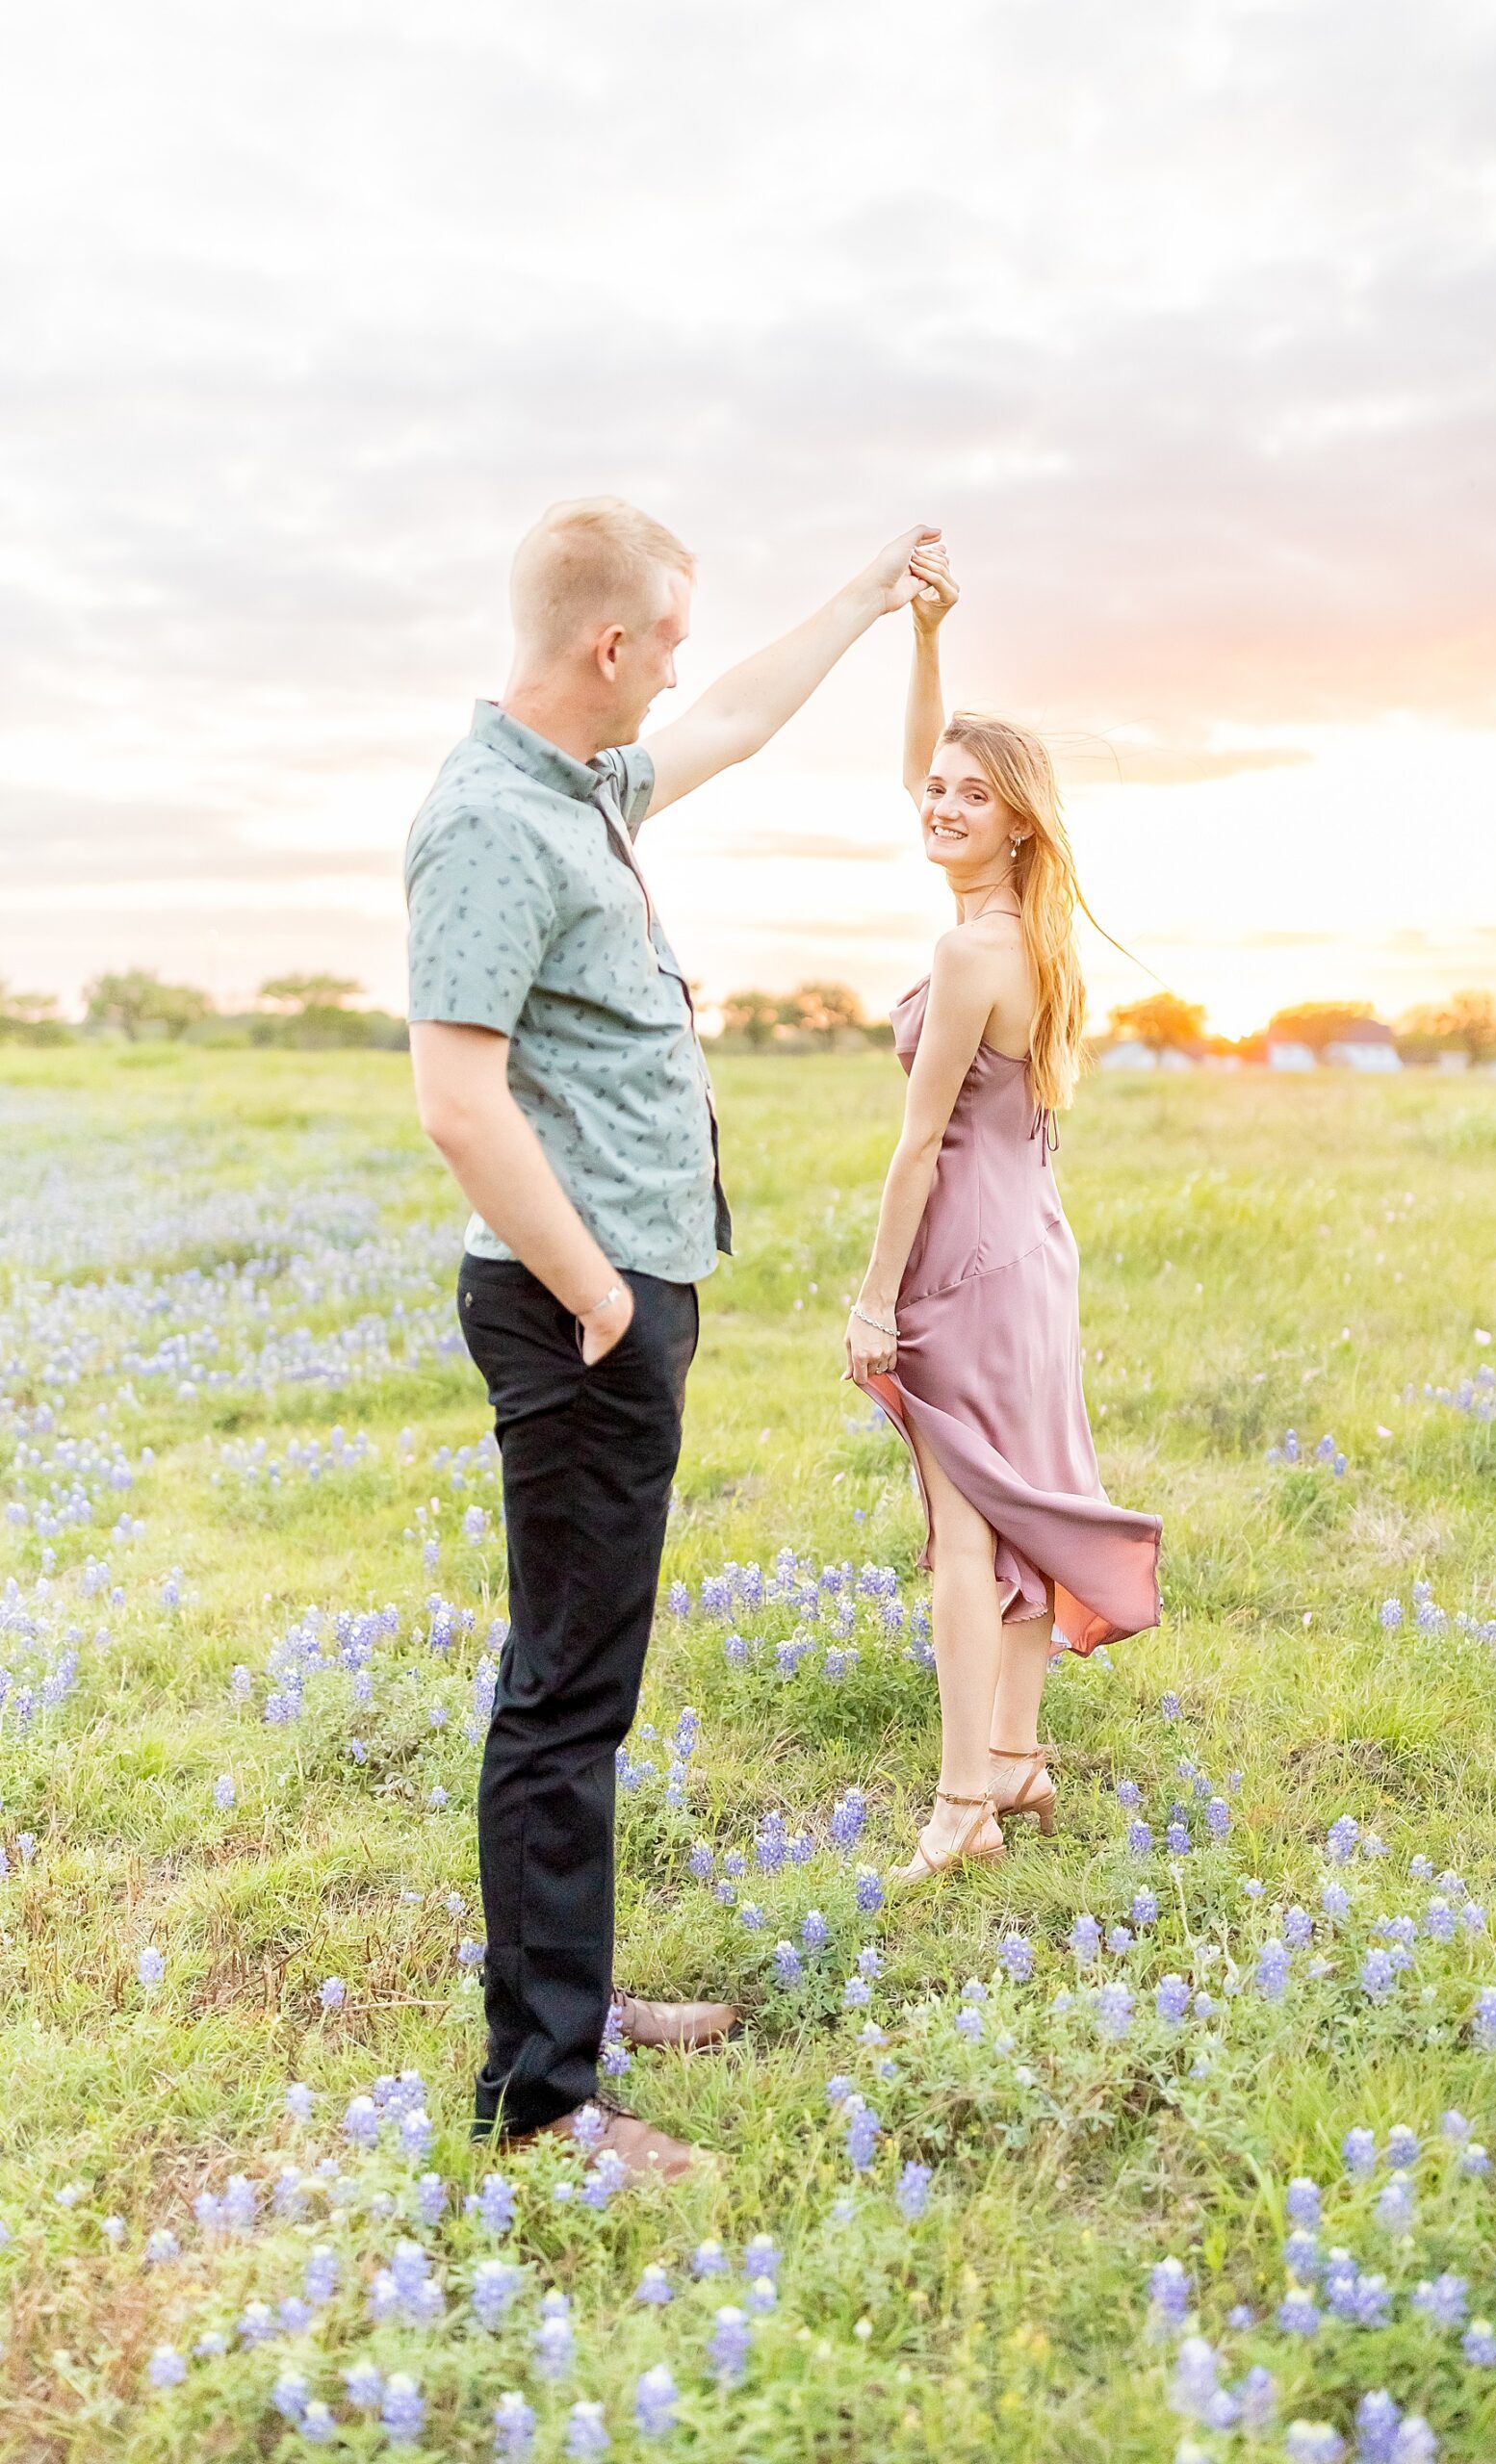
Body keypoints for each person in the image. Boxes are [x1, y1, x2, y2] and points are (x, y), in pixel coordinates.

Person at [407, 496, 941, 2170]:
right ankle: (543, 2098)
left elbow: (733, 723)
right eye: (670, 644)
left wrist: (866, 595)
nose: (680, 677)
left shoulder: (581, 791)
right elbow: (456, 1099)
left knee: (593, 1675)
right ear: (606, 643)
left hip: (619, 1295)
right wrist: (596, 1292)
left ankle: (569, 1985)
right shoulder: (492, 820)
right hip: (580, 1310)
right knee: (564, 1694)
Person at [844, 541, 1163, 1886]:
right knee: (1022, 1509)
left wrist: (873, 1299)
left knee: (965, 1530)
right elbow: (923, 766)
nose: (943, 806)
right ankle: (1018, 1760)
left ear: (1019, 820)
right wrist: (925, 645)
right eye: (939, 792)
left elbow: (919, 1144)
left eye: (975, 797)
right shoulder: (1031, 935)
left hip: (964, 1260)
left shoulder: (968, 950)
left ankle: (963, 1798)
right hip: (1033, 1253)